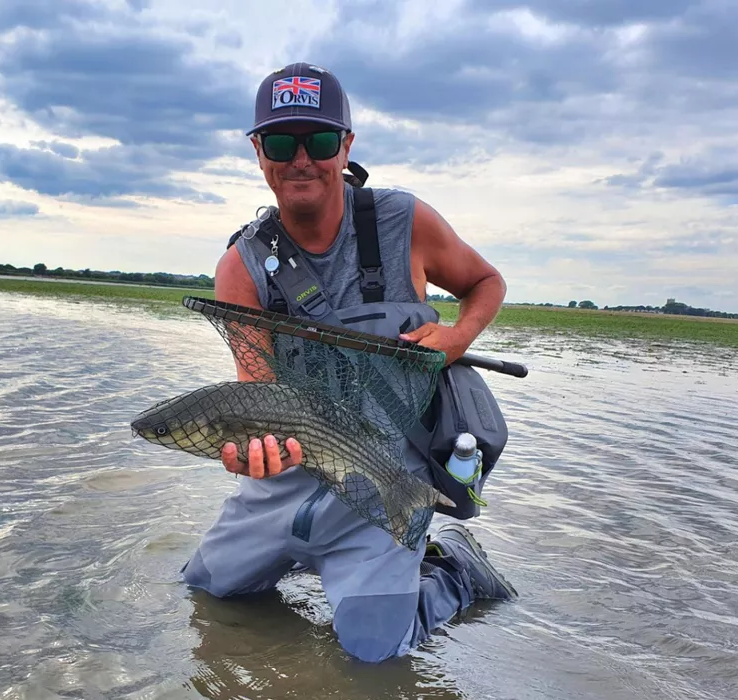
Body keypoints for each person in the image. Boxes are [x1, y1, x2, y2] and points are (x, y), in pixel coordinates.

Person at [181, 62, 517, 663]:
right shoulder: (240, 267)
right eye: (282, 142)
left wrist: (456, 338)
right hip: (287, 485)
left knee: (373, 656)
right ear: (260, 151)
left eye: (321, 140)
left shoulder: (404, 221)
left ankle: (456, 571)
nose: (301, 158)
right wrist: (250, 456)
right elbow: (256, 391)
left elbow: (485, 281)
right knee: (207, 595)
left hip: (387, 481)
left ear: (347, 146)